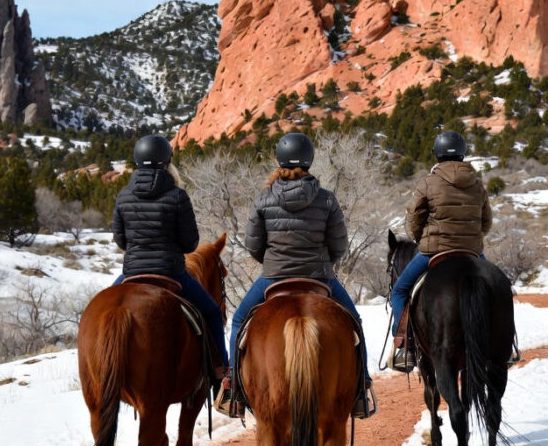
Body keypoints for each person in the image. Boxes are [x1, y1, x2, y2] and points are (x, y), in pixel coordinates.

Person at [215, 131, 376, 419]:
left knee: (240, 321)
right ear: (310, 161)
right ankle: (361, 389)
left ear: (279, 160)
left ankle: (234, 390)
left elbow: (254, 246)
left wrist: (275, 264)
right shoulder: (326, 199)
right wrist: (324, 266)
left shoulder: (264, 199)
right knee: (355, 324)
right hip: (320, 277)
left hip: (274, 277)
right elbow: (339, 245)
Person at [111, 134, 229, 374]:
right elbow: (190, 244)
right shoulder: (177, 196)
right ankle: (222, 374)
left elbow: (121, 241)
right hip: (171, 273)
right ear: (167, 163)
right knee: (213, 314)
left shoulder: (123, 196)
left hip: (132, 273)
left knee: (100, 308)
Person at [390, 130, 492, 370]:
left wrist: (420, 238)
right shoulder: (477, 184)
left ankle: (406, 348)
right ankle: (507, 346)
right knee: (498, 289)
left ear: (437, 154)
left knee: (400, 291)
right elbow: (485, 223)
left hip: (432, 252)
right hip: (472, 252)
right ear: (462, 154)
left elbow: (415, 217)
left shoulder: (428, 182)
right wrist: (470, 239)